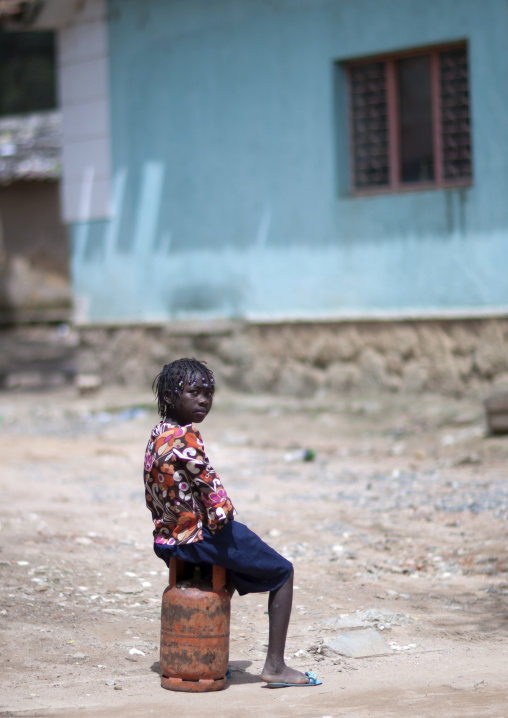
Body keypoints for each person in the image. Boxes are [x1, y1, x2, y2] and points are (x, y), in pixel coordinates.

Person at [143, 357, 322, 688]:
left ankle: (210, 652)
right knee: (282, 571)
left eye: (208, 393)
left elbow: (153, 496)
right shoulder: (185, 438)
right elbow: (216, 497)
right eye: (194, 392)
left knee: (242, 563)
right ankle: (275, 666)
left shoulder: (157, 436)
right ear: (170, 396)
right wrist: (226, 521)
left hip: (166, 542)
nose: (203, 400)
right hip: (199, 539)